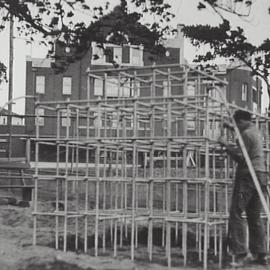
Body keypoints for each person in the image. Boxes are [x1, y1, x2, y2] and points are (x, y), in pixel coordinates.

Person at [219, 109, 268, 267]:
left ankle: (241, 252)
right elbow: (243, 132)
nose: (236, 127)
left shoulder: (246, 134)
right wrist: (231, 127)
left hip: (248, 176)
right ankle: (261, 253)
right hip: (261, 174)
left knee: (236, 212)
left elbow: (241, 157)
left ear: (241, 122)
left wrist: (226, 145)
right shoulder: (255, 131)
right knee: (254, 215)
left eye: (236, 124)